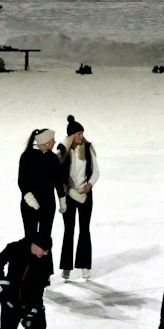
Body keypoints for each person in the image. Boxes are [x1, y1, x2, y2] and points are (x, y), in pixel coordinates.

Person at [57, 115, 99, 279]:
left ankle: (84, 265)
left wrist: (89, 185)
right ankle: (66, 267)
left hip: (85, 195)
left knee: (84, 229)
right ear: (71, 136)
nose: (82, 136)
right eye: (79, 134)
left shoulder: (88, 148)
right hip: (69, 195)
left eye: (82, 133)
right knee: (69, 230)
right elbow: (57, 172)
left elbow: (95, 171)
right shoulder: (62, 150)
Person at [18, 128, 66, 247]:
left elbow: (58, 181)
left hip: (48, 206)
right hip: (29, 206)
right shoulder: (27, 156)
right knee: (30, 239)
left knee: (45, 240)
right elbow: (22, 180)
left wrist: (62, 199)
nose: (54, 142)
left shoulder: (53, 158)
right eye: (52, 140)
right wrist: (29, 197)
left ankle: (45, 266)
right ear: (45, 142)